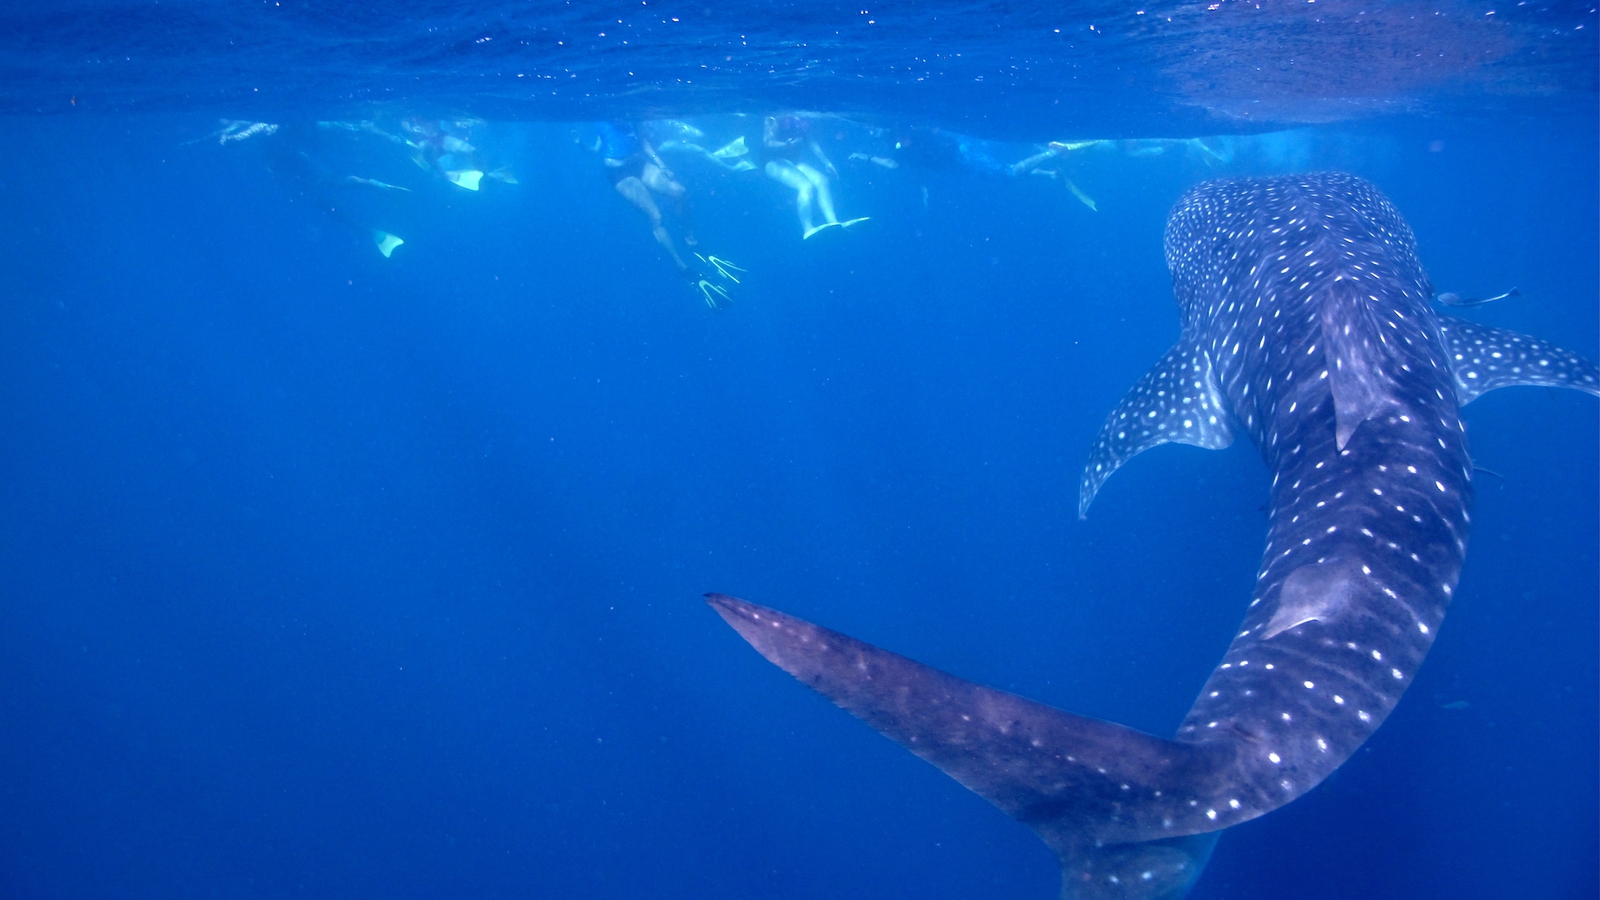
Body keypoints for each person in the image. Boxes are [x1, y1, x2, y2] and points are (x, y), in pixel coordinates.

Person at [761, 115, 868, 239]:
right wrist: (786, 144)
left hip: (794, 162)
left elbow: (811, 143)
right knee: (805, 186)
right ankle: (808, 228)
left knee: (822, 181)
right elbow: (768, 143)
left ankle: (833, 222)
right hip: (772, 162)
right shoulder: (773, 118)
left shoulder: (798, 119)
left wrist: (826, 163)